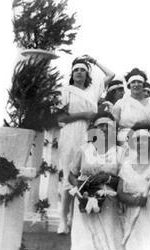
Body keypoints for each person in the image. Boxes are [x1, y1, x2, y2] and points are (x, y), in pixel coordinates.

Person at [62, 112, 129, 250]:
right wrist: (79, 186)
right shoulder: (84, 149)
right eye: (100, 126)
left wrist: (107, 178)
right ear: (95, 129)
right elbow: (72, 173)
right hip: (84, 203)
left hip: (108, 205)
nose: (104, 130)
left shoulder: (121, 152)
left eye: (108, 126)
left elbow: (125, 179)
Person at [57, 56, 115, 234]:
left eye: (82, 69)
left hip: (90, 132)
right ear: (72, 74)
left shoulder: (93, 90)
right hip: (71, 131)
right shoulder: (66, 90)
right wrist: (84, 114)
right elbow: (60, 118)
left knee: (86, 172)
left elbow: (111, 74)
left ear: (87, 73)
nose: (79, 72)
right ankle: (63, 219)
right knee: (69, 173)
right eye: (76, 70)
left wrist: (95, 61)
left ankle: (77, 218)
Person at [112, 68, 150, 145]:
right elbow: (113, 126)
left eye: (139, 82)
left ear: (143, 85)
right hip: (124, 140)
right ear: (129, 85)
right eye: (133, 82)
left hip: (146, 142)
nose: (136, 84)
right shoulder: (120, 103)